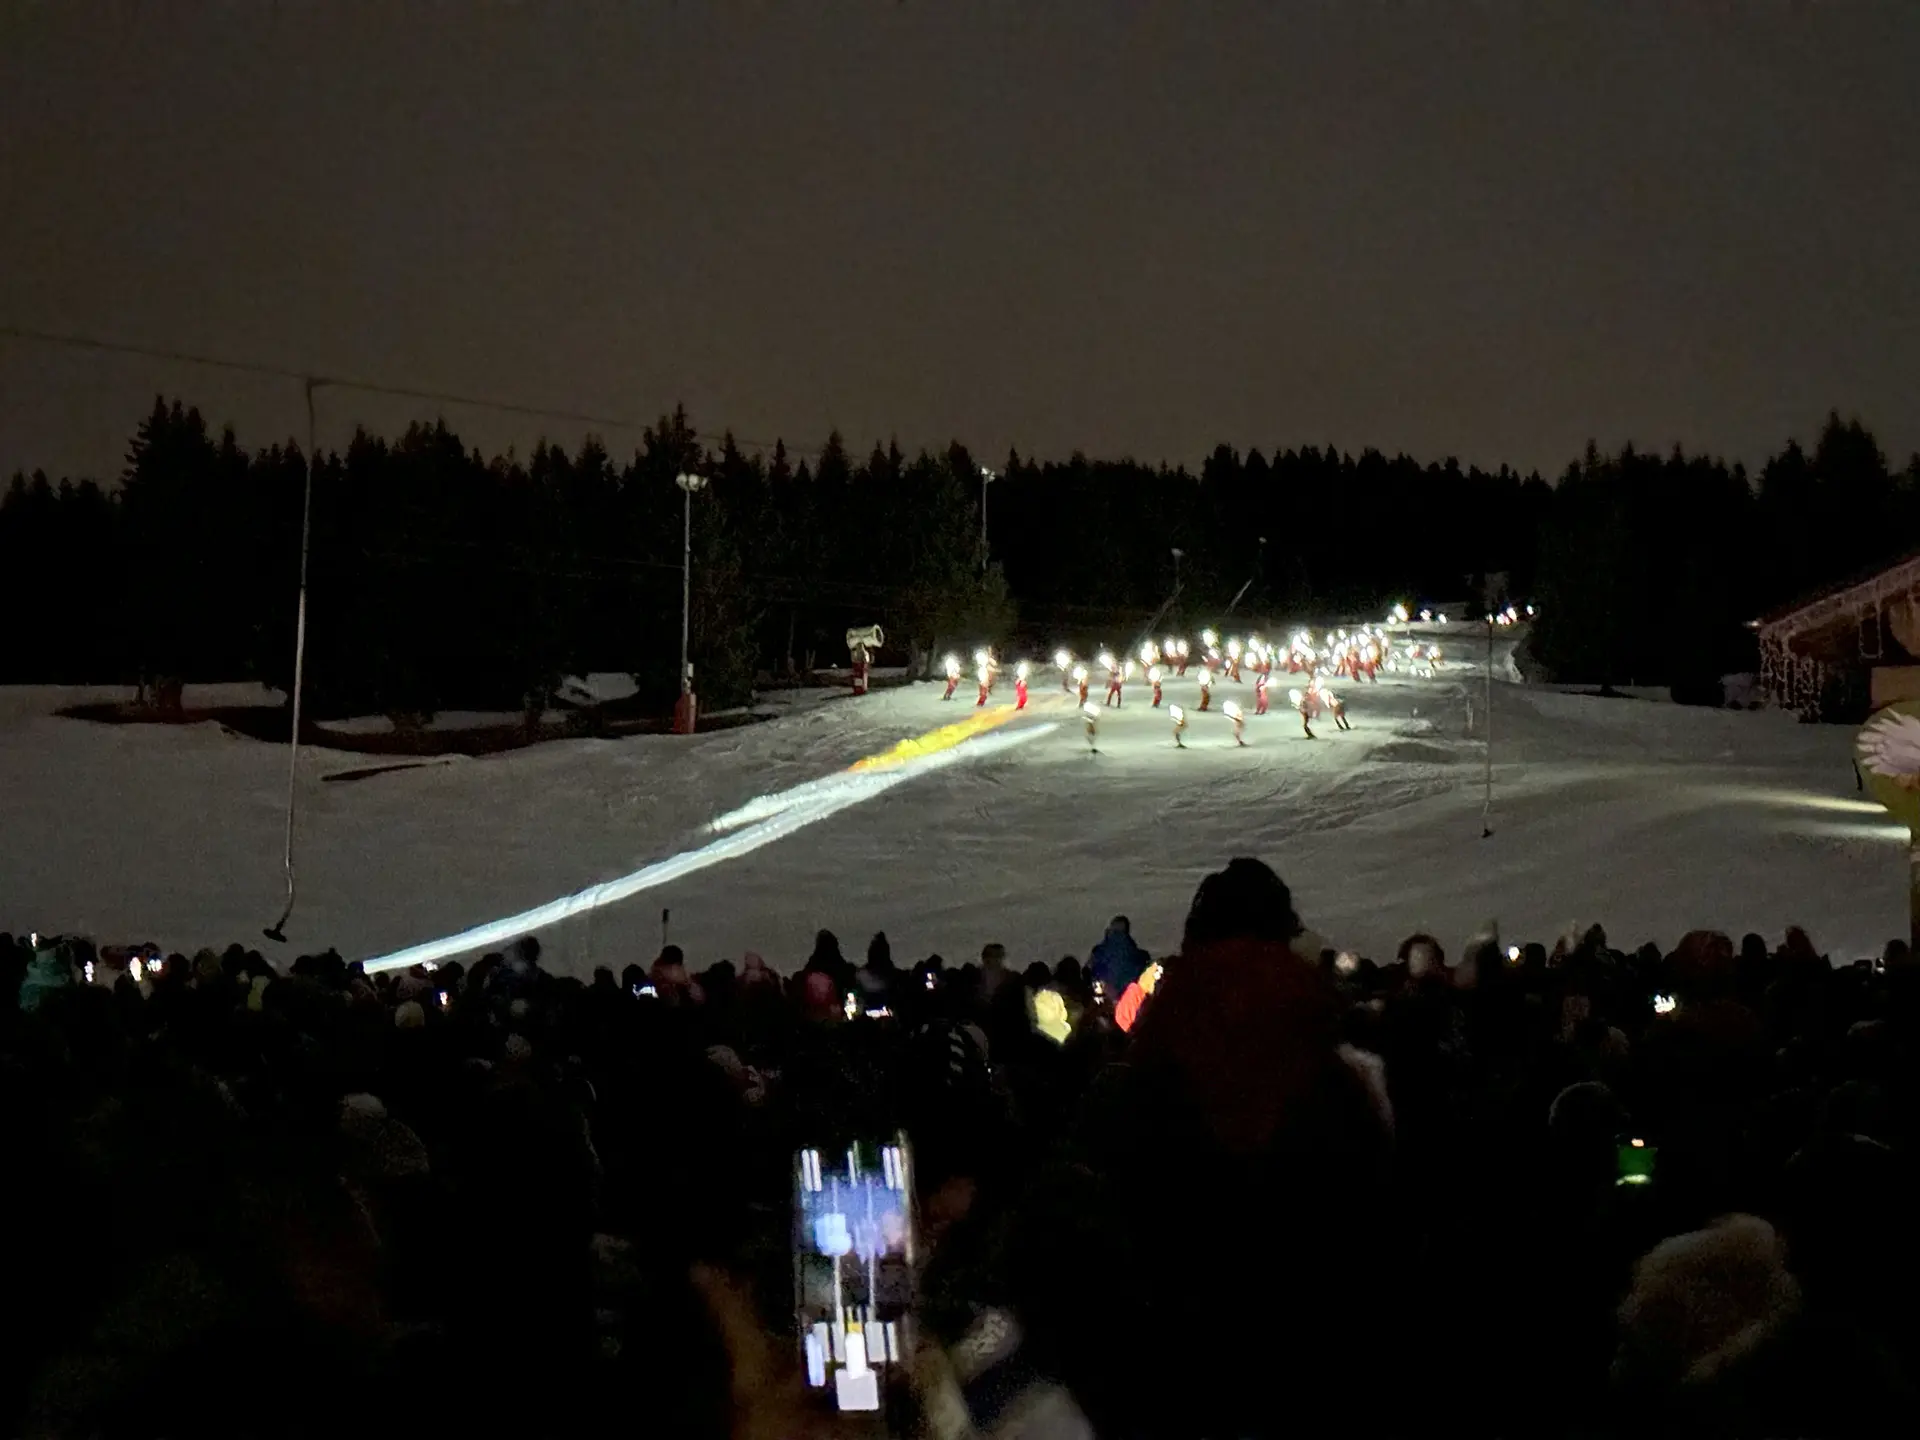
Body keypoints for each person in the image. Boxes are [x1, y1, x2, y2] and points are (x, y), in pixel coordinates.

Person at [1088, 915, 1149, 995]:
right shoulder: (1138, 956)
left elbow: (1090, 970)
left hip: (1107, 996)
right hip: (1129, 996)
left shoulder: (1099, 952)